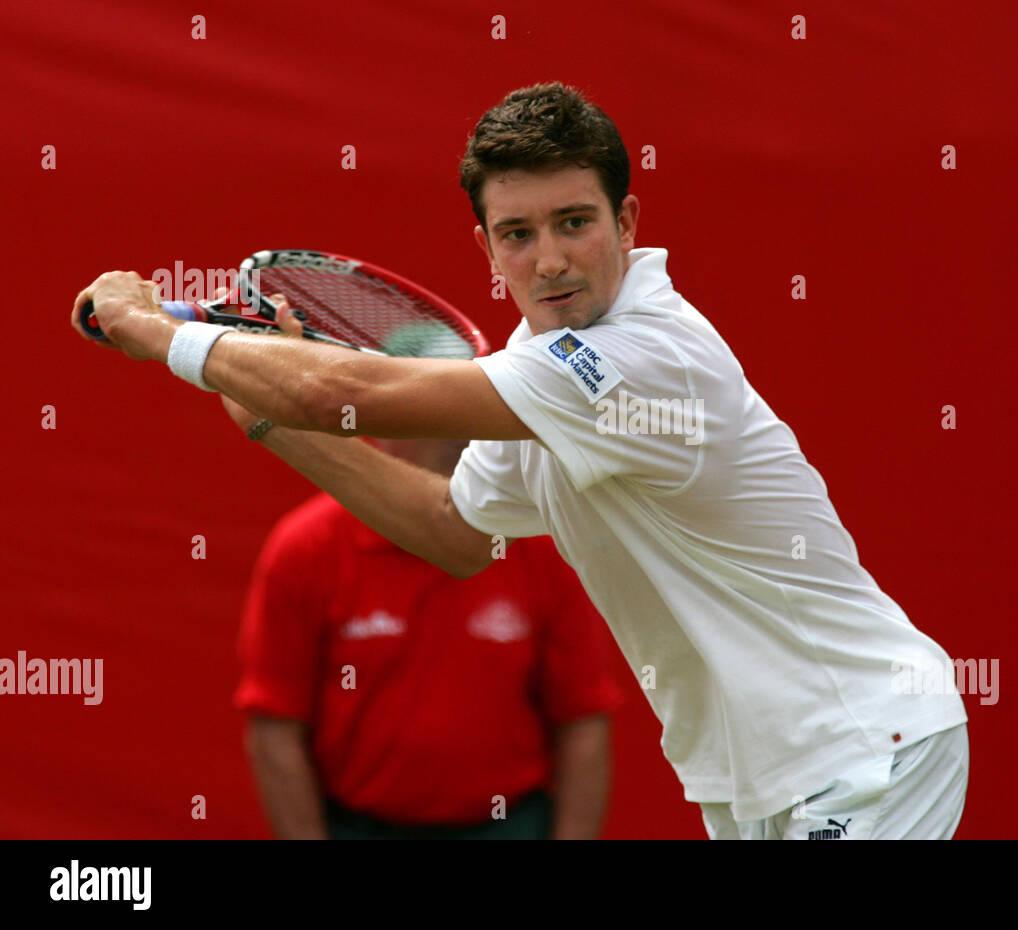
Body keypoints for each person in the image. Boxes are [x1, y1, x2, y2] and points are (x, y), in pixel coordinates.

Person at [73, 81, 970, 840]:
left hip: (863, 749)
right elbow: (454, 531)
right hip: (764, 771)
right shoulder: (533, 374)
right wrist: (271, 421)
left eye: (574, 222)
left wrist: (157, 335)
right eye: (517, 234)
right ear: (485, 247)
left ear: (627, 221)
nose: (550, 260)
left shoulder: (642, 356)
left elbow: (350, 392)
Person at [235, 434, 623, 840]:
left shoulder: (541, 547)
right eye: (435, 410)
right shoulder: (307, 548)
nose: (460, 430)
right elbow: (275, 727)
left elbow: (583, 720)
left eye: (469, 408)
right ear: (384, 427)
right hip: (360, 827)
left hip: (507, 826)